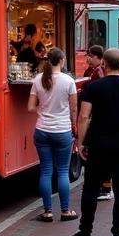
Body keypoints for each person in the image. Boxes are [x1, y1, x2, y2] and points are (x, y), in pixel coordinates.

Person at [64, 48, 119, 236]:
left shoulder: (94, 87)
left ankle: (85, 233)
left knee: (91, 188)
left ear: (104, 64)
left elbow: (84, 117)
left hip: (99, 144)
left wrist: (81, 142)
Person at [28, 47, 77, 222]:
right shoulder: (68, 81)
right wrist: (75, 126)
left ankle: (47, 211)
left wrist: (42, 112)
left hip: (42, 130)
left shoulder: (37, 79)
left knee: (46, 171)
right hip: (62, 130)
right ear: (62, 60)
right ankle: (65, 210)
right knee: (63, 171)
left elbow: (30, 107)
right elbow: (73, 108)